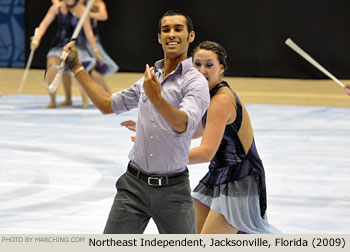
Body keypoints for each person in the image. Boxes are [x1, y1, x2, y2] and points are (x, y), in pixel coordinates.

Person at [62, 10, 210, 233]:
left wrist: (157, 99)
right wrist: (76, 67)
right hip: (133, 187)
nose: (171, 34)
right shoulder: (149, 79)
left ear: (190, 36)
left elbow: (183, 124)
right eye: (165, 29)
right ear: (159, 37)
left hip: (174, 191)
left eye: (178, 29)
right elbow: (106, 104)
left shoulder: (195, 82)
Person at [122, 41, 280, 234]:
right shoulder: (206, 94)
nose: (202, 70)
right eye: (197, 64)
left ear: (221, 68)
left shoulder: (221, 100)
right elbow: (191, 130)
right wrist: (151, 130)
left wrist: (163, 158)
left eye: (209, 65)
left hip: (240, 178)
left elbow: (206, 152)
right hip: (219, 173)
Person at [32, 0, 100, 108]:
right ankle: (53, 101)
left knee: (76, 71)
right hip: (59, 44)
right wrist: (37, 38)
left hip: (75, 45)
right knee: (51, 68)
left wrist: (95, 50)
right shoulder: (57, 7)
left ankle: (85, 99)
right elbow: (44, 23)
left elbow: (88, 31)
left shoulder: (82, 10)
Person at [80, 0, 118, 93]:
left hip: (91, 40)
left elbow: (104, 16)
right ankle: (99, 92)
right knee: (85, 69)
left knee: (92, 69)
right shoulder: (79, 3)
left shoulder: (97, 3)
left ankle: (107, 91)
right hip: (80, 41)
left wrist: (88, 13)